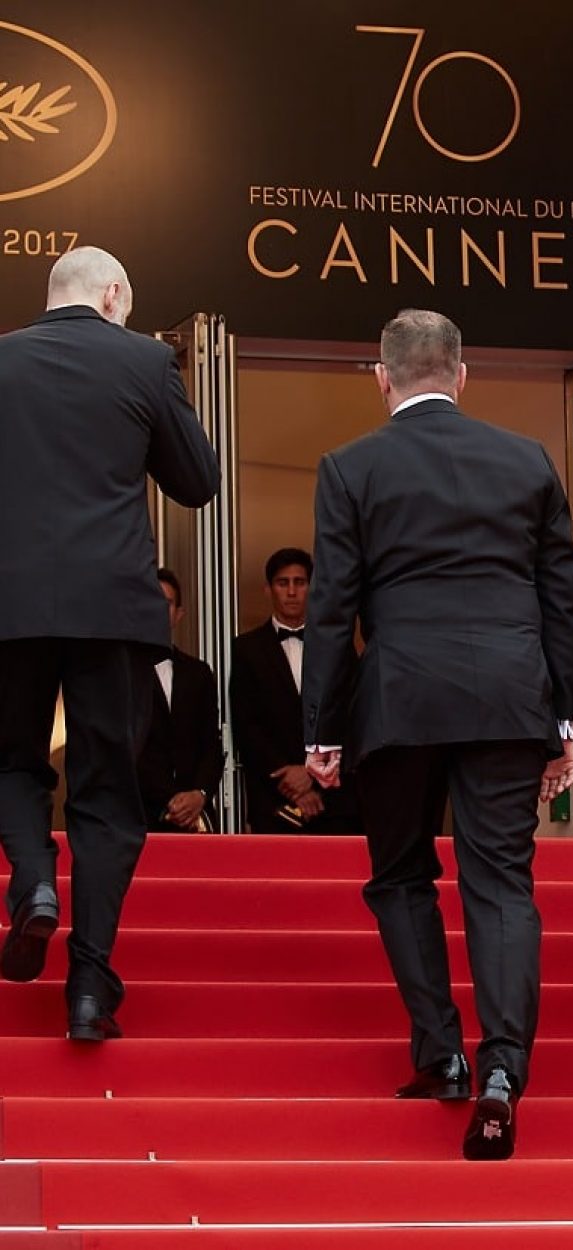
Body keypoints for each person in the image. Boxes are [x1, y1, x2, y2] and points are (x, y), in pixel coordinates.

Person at [301, 309, 573, 1162]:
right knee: (501, 879)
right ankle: (503, 1071)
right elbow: (558, 601)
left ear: (382, 379)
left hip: (400, 700)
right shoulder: (527, 459)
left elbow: (331, 607)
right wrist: (562, 718)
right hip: (507, 696)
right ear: (461, 376)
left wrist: (321, 725)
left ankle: (442, 1054)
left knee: (399, 876)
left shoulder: (350, 466)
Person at [0, 247, 218, 1041]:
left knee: (10, 760)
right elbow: (197, 480)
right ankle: (89, 986)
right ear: (115, 294)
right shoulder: (145, 360)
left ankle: (32, 883)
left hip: (11, 604)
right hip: (113, 609)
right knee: (106, 793)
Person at [230, 549, 358, 833]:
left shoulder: (338, 647)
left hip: (336, 801)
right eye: (283, 582)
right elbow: (247, 726)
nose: (291, 591)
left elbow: (351, 717)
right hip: (274, 800)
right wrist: (293, 783)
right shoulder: (246, 650)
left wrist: (312, 774)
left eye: (300, 582)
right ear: (268, 589)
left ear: (312, 589)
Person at [136, 569, 224, 832]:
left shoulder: (199, 672)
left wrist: (199, 793)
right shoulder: (122, 675)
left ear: (179, 614)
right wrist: (171, 801)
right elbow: (125, 748)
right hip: (141, 816)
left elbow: (211, 744)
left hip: (197, 817)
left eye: (167, 603)